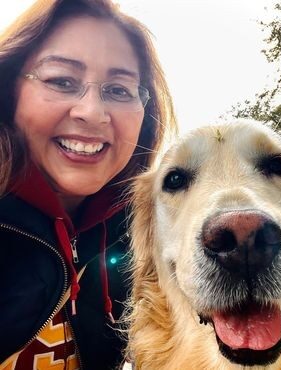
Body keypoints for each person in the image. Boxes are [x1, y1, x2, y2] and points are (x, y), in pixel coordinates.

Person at [0, 0, 177, 369]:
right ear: (8, 90)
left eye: (119, 90)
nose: (92, 112)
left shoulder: (140, 233)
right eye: (61, 81)